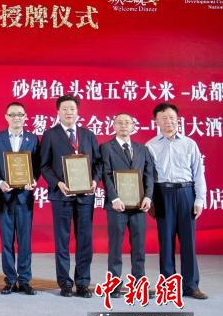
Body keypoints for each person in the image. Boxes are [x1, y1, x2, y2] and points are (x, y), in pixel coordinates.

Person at [40, 95, 101, 298]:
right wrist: (58, 183)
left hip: (85, 197)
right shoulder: (50, 135)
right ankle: (65, 283)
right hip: (61, 195)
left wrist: (94, 181)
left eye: (72, 109)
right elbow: (44, 165)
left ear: (78, 112)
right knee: (62, 240)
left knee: (85, 240)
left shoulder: (88, 135)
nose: (68, 112)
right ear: (58, 112)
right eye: (64, 109)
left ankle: (82, 283)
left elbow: (98, 163)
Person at [146, 103, 208, 299]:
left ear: (178, 120)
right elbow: (148, 176)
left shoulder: (190, 144)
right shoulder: (150, 145)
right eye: (164, 118)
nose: (169, 121)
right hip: (162, 194)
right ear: (157, 121)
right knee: (166, 242)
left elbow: (198, 173)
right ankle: (168, 286)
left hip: (186, 194)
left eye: (172, 117)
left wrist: (200, 199)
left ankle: (191, 286)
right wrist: (150, 199)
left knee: (188, 242)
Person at [100, 113, 154, 298]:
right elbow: (106, 174)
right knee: (115, 247)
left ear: (133, 127)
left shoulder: (142, 149)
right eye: (120, 122)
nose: (124, 125)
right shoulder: (106, 147)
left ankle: (139, 284)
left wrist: (148, 197)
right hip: (117, 206)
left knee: (139, 247)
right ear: (113, 126)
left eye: (127, 122)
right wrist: (114, 198)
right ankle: (114, 285)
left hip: (139, 205)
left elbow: (149, 175)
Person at [0, 102, 41, 295]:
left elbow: (37, 166)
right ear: (6, 117)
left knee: (25, 240)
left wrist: (33, 179)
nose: (17, 118)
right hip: (4, 196)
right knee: (6, 240)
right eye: (12, 115)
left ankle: (25, 280)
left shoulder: (33, 139)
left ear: (25, 117)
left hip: (24, 197)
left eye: (20, 114)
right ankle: (10, 280)